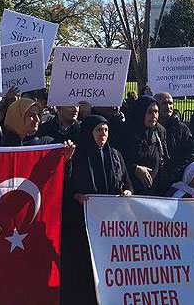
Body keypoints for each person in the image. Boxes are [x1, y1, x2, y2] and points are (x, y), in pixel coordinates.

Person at [64, 115, 131, 304]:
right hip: (82, 225)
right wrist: (76, 195)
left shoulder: (115, 155)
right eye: (99, 130)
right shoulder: (77, 157)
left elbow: (126, 182)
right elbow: (66, 186)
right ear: (89, 132)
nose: (103, 134)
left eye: (106, 130)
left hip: (109, 227)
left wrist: (127, 192)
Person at [122, 96, 167, 195]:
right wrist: (134, 168)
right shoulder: (126, 131)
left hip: (155, 190)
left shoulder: (160, 131)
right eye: (150, 112)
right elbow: (118, 160)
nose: (154, 115)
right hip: (131, 190)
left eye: (156, 112)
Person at [154, 92, 193, 193]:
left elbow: (188, 154)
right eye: (164, 103)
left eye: (170, 103)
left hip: (176, 181)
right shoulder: (149, 127)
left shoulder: (182, 129)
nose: (168, 107)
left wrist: (175, 174)